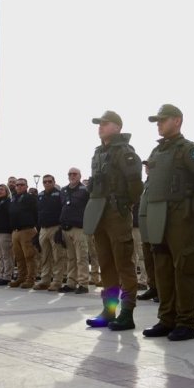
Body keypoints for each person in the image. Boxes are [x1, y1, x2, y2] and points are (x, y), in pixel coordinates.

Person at [139, 104, 194, 341]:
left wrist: (193, 210)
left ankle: (186, 322)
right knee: (163, 270)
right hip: (159, 216)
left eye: (163, 120)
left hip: (181, 217)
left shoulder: (190, 150)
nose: (158, 124)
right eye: (157, 120)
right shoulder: (157, 152)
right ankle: (166, 319)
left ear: (177, 121)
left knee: (185, 270)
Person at [83, 110, 143, 331]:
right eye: (99, 124)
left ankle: (127, 312)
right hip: (99, 213)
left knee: (124, 264)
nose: (100, 127)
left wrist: (126, 205)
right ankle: (109, 311)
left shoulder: (124, 152)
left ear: (117, 127)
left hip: (117, 213)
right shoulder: (98, 153)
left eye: (105, 123)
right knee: (106, 264)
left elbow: (136, 184)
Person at [59, 168, 91, 294]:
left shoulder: (85, 190)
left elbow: (90, 209)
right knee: (70, 258)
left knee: (81, 257)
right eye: (70, 174)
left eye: (75, 174)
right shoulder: (63, 190)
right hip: (66, 228)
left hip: (80, 228)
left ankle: (83, 283)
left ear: (79, 175)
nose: (72, 176)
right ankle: (71, 282)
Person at [35, 174, 68, 291]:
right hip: (43, 229)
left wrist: (61, 228)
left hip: (56, 228)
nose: (47, 183)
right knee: (44, 256)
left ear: (54, 182)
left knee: (58, 256)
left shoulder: (59, 194)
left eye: (49, 181)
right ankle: (45, 280)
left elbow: (64, 210)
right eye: (45, 182)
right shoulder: (40, 195)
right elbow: (38, 212)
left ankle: (57, 281)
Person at [9, 178, 39, 289]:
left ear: (26, 186)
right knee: (19, 257)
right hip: (15, 232)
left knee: (29, 256)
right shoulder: (14, 199)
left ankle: (30, 279)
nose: (19, 186)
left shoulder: (30, 198)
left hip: (27, 230)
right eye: (17, 185)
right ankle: (21, 277)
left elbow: (36, 213)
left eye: (22, 185)